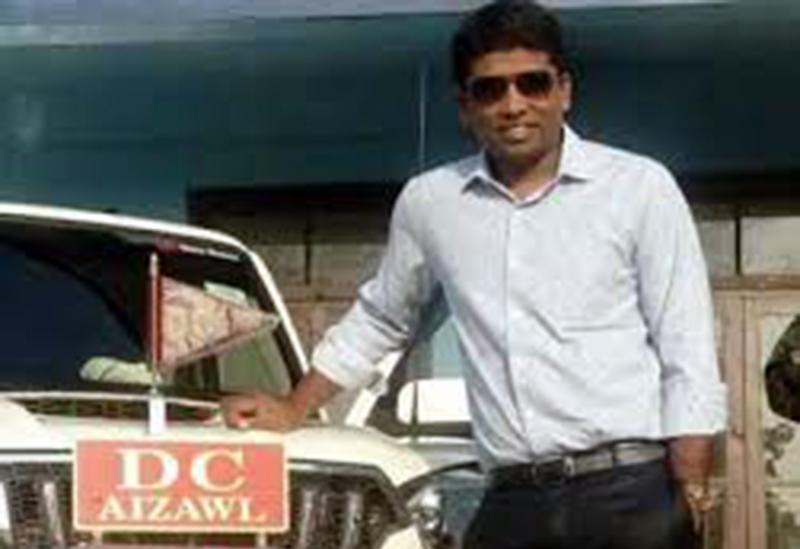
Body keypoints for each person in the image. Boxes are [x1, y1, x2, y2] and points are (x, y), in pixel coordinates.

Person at [222, 1, 727, 547]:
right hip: (511, 499)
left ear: (564, 91)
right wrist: (294, 407)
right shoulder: (431, 203)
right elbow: (381, 317)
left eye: (533, 83)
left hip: (629, 491)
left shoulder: (638, 188)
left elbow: (685, 336)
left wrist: (690, 476)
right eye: (490, 89)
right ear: (465, 106)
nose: (513, 104)